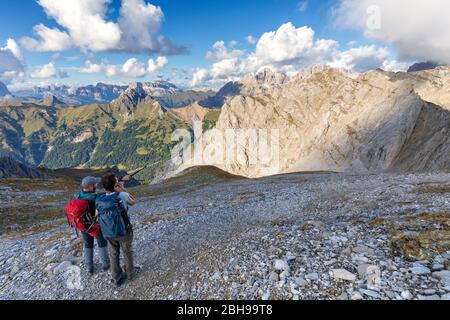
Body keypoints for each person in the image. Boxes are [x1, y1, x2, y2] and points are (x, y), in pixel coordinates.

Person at [96, 174, 137, 286]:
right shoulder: (121, 195)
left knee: (113, 254)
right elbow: (133, 202)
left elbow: (97, 215)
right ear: (116, 184)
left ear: (104, 187)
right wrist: (123, 189)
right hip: (123, 229)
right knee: (127, 251)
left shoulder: (99, 199)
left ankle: (116, 276)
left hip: (108, 232)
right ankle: (130, 273)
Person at [74, 177, 110, 275]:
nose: (96, 186)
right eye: (94, 185)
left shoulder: (76, 196)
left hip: (83, 225)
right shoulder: (96, 197)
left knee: (88, 244)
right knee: (102, 243)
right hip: (96, 224)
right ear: (90, 186)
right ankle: (105, 264)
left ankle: (89, 266)